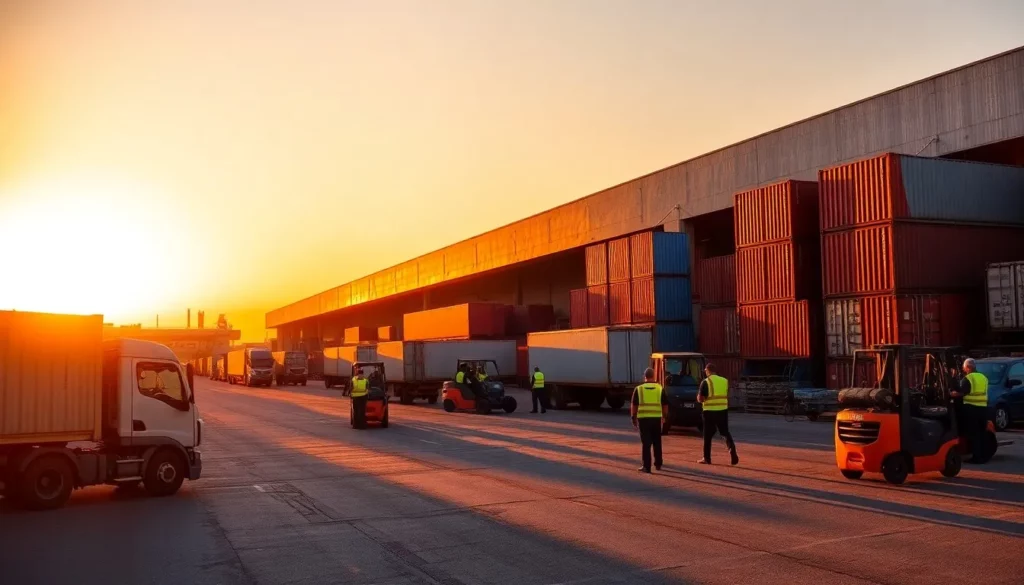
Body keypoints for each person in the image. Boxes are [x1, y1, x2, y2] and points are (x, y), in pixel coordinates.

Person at [697, 363, 739, 466]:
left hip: (709, 412)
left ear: (708, 370)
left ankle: (707, 458)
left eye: (705, 371)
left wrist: (698, 398)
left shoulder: (706, 382)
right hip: (722, 410)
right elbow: (726, 394)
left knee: (707, 436)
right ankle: (731, 449)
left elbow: (701, 398)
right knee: (725, 432)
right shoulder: (724, 381)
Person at [631, 368, 668, 473]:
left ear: (645, 376)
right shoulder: (660, 388)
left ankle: (646, 466)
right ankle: (658, 464)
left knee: (646, 443)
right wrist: (664, 417)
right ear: (654, 376)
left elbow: (634, 405)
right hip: (656, 419)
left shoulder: (639, 389)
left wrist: (633, 418)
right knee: (657, 441)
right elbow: (665, 404)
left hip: (643, 419)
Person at [952, 358, 988, 463]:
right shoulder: (983, 377)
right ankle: (983, 456)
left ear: (968, 367)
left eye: (964, 368)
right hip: (983, 408)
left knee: (974, 434)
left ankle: (976, 458)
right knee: (982, 433)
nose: (963, 370)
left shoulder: (968, 378)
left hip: (971, 409)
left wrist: (952, 392)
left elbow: (962, 392)